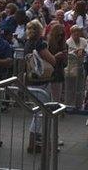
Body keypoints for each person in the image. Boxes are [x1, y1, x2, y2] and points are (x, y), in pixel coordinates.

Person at [24, 20, 56, 154]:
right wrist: (57, 57)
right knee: (41, 113)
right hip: (42, 81)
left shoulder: (27, 44)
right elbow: (52, 60)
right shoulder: (39, 44)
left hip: (31, 80)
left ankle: (34, 143)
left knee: (37, 112)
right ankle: (37, 144)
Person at [64, 25, 88, 108]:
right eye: (75, 32)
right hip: (70, 67)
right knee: (70, 86)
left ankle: (79, 104)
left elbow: (87, 50)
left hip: (81, 66)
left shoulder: (84, 41)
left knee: (80, 86)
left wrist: (83, 51)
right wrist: (75, 52)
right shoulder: (68, 42)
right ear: (71, 33)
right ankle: (69, 104)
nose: (77, 34)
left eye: (78, 32)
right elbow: (66, 53)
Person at [47, 23, 68, 102]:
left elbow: (65, 64)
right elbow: (47, 60)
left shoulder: (64, 45)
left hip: (59, 73)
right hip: (49, 72)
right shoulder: (48, 45)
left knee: (57, 99)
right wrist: (56, 56)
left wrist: (64, 58)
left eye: (62, 35)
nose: (60, 37)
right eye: (58, 35)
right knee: (48, 97)